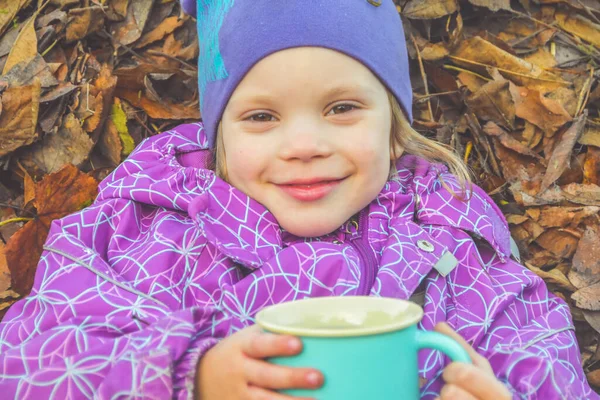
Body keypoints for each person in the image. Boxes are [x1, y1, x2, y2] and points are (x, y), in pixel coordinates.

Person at [0, 0, 595, 399]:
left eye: (342, 108)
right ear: (217, 136)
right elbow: (27, 360)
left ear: (393, 125)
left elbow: (541, 353)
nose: (305, 145)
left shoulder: (446, 234)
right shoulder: (150, 226)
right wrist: (191, 375)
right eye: (261, 116)